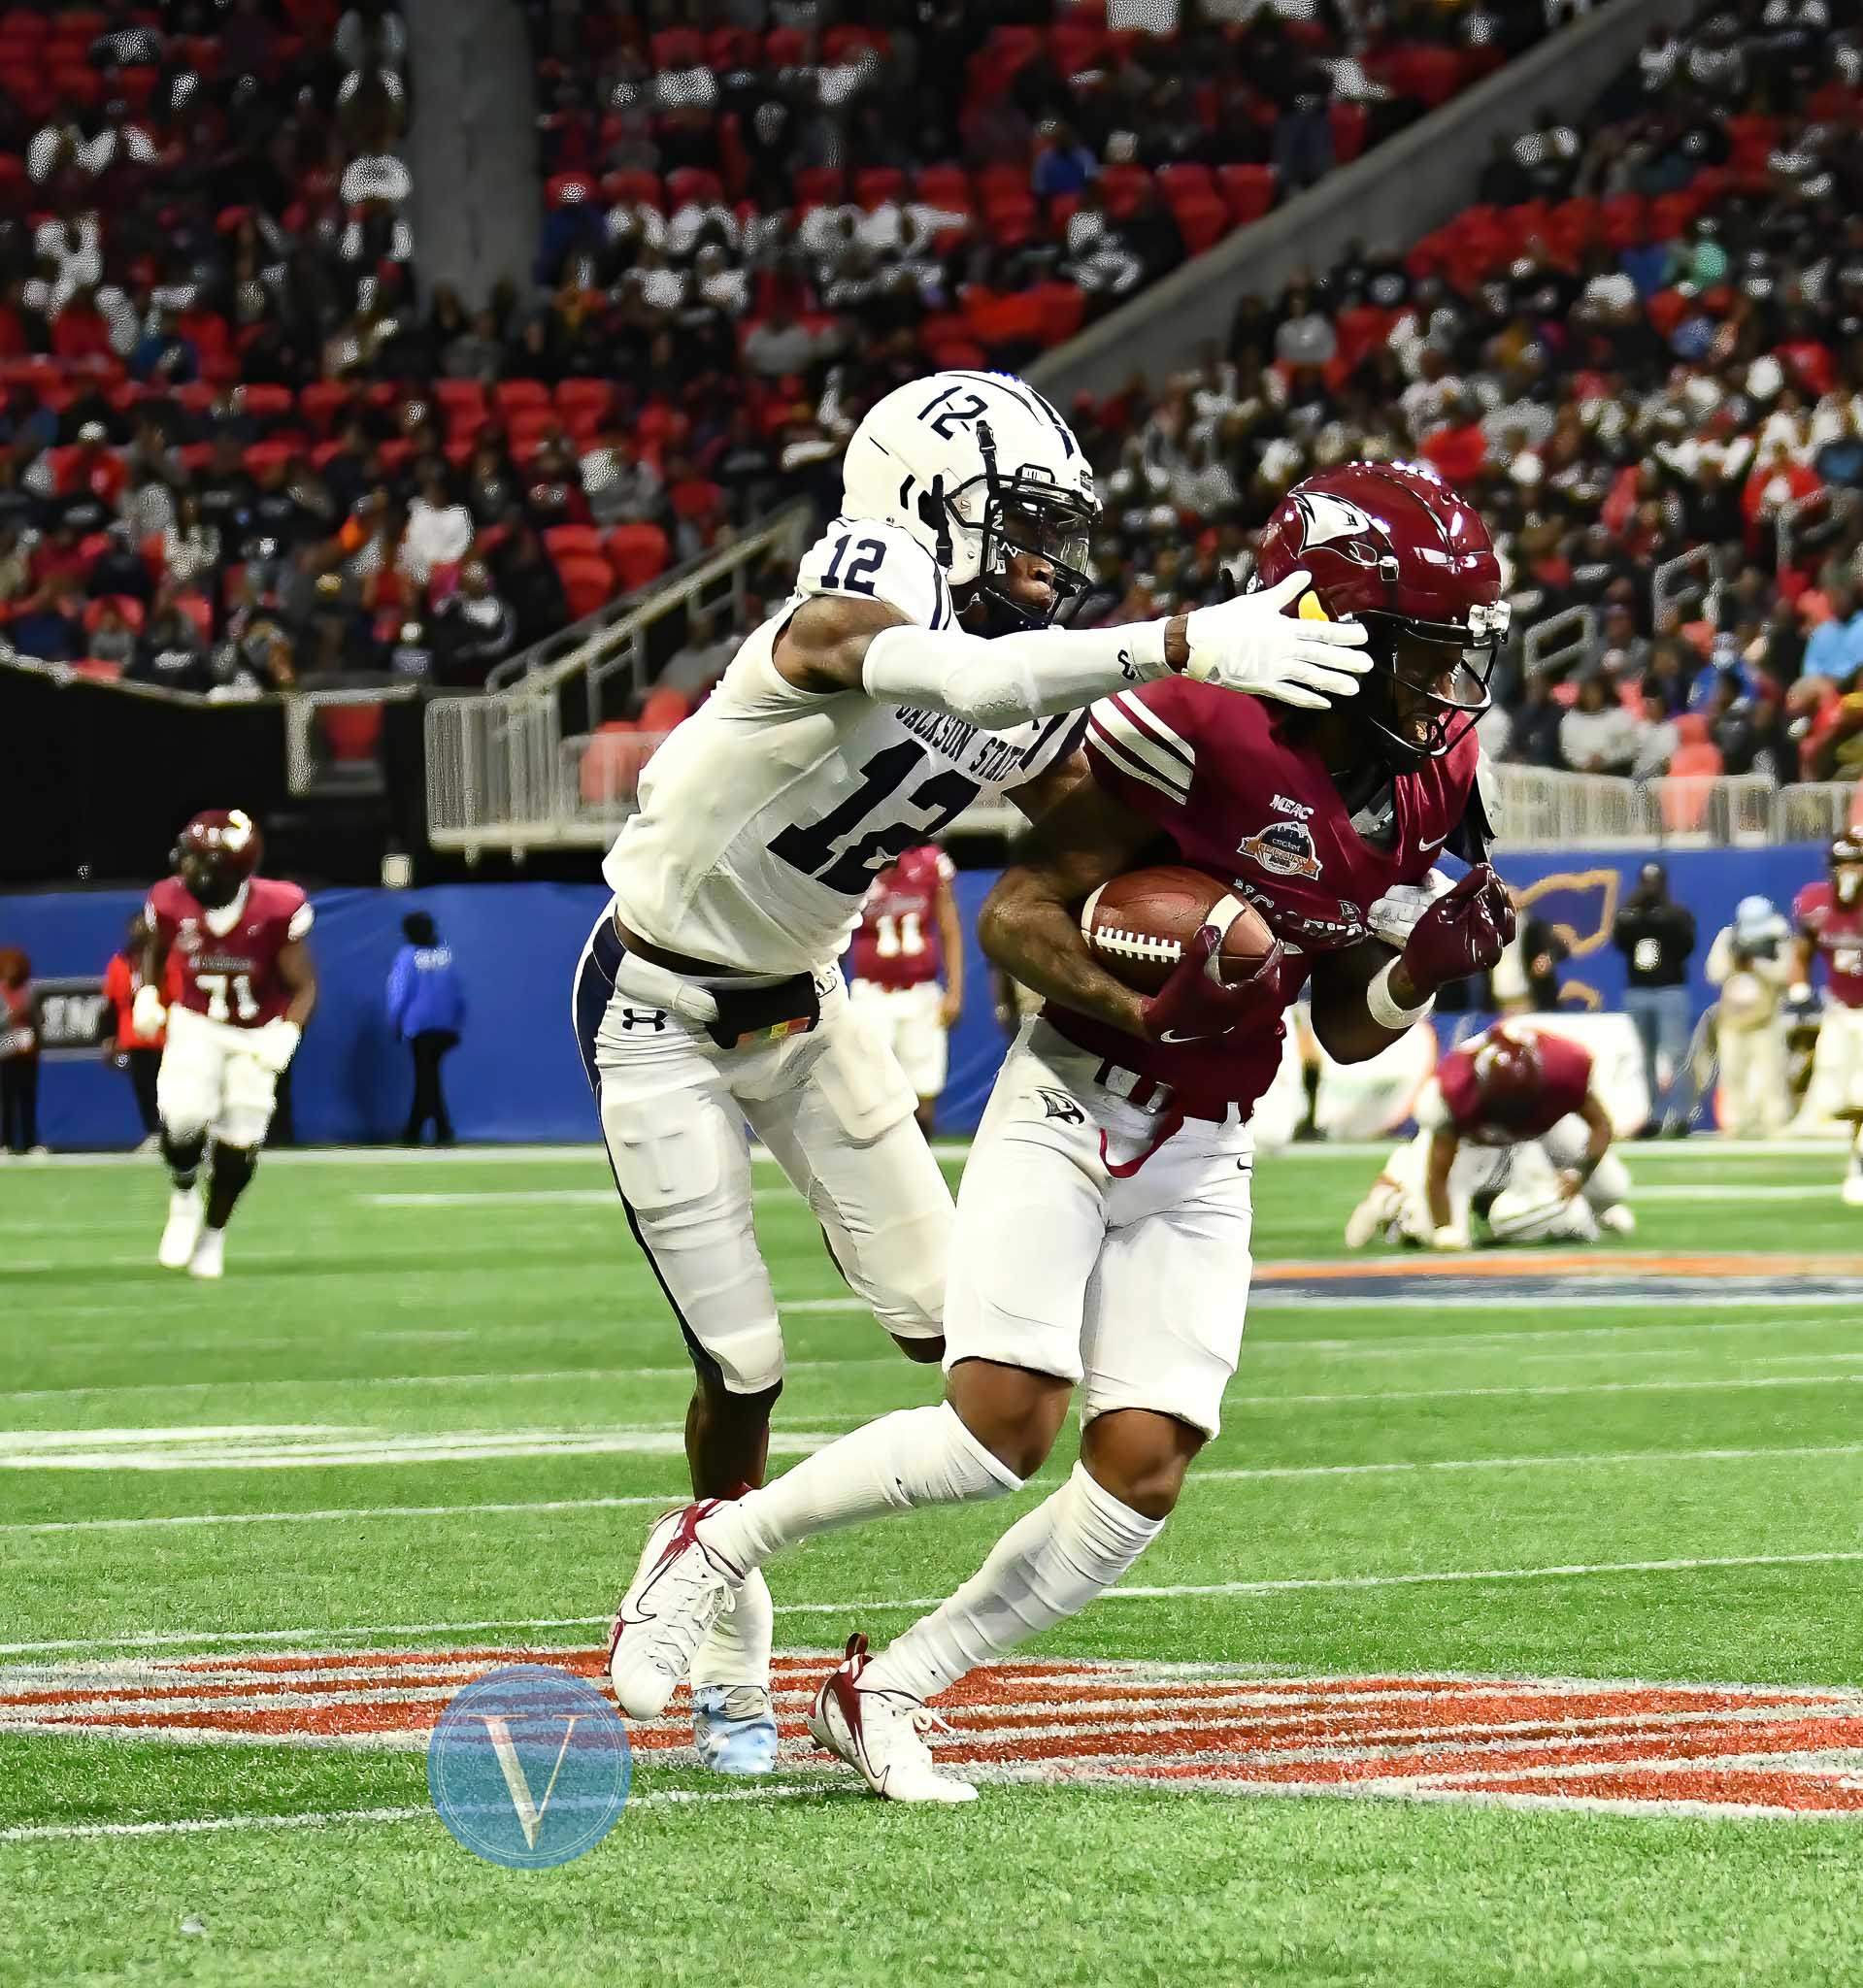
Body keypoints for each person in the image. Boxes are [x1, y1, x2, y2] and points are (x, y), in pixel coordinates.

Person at [600, 461, 1510, 1802]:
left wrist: (1414, 970)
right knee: (994, 1431)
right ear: (1344, 627)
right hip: (1076, 1094)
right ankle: (717, 1549)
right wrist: (1152, 993)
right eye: (1429, 652)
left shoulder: (1435, 777)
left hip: (1209, 1139)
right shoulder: (1199, 722)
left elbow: (1346, 1023)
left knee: (1140, 1473)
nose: (1450, 688)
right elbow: (1018, 917)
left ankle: (886, 1689)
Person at [138, 811, 317, 1279]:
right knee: (182, 1115)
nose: (187, 871)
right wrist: (147, 993)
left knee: (241, 1140)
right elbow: (154, 951)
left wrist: (288, 1032)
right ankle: (182, 1196)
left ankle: (213, 1235)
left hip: (256, 1030)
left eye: (200, 863)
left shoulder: (278, 906)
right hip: (197, 1022)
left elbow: (304, 986)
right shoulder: (168, 900)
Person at [1345, 1022, 1632, 1251]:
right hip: (1472, 1148)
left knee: (1611, 1186)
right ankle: (1394, 1197)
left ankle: (1588, 1211)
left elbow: (1601, 1126)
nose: (1512, 1112)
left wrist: (1579, 1174)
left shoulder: (1563, 1069)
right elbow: (1439, 1171)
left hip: (1545, 1131)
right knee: (1444, 1233)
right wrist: (1444, 1228)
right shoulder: (1453, 1090)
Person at [847, 844, 963, 1134]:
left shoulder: (930, 860)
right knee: (868, 1088)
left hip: (920, 991)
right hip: (870, 993)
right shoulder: (855, 860)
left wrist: (955, 991)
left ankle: (922, 1163)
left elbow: (950, 927)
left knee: (924, 1087)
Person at [1789, 834, 1863, 1201]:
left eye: (1857, 863)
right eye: (1843, 864)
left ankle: (1859, 1163)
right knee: (1837, 1099)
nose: (1849, 872)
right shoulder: (1817, 903)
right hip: (1838, 1010)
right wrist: (1799, 990)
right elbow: (1802, 951)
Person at [1612, 861, 1697, 1135]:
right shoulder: (1631, 916)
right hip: (1639, 991)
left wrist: (1658, 918)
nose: (1650, 889)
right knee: (1645, 1055)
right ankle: (1655, 1114)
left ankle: (1681, 1114)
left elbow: (1686, 944)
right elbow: (1620, 941)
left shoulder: (1677, 915)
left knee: (1675, 1053)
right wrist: (1634, 911)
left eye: (1655, 883)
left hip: (1669, 990)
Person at [1706, 894, 1793, 1139]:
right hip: (1733, 1021)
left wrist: (1758, 963)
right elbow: (1714, 973)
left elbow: (1785, 974)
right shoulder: (1728, 937)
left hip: (1766, 1020)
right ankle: (1735, 1124)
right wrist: (1735, 959)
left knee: (1772, 1074)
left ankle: (1775, 1123)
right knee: (1732, 1074)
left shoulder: (1779, 937)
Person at [387, 911, 466, 1145]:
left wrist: (395, 1023)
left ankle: (439, 1130)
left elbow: (398, 994)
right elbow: (458, 993)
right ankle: (418, 1130)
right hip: (445, 1027)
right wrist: (456, 1023)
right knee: (428, 1078)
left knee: (426, 1079)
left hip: (418, 1027)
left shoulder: (406, 956)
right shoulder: (445, 955)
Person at [102, 914, 166, 1149]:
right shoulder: (119, 962)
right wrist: (108, 1037)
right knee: (144, 1087)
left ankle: (174, 1136)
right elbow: (111, 1003)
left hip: (165, 1034)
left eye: (144, 926)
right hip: (134, 1036)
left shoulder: (165, 958)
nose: (139, 931)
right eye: (135, 927)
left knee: (169, 1087)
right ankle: (153, 1133)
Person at [0, 947, 42, 1157]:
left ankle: (29, 1143)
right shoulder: (0, 991)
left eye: (16, 967)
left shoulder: (30, 991)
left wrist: (33, 1017)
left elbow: (39, 1020)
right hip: (6, 1052)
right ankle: (5, 1143)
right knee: (6, 1099)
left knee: (28, 1097)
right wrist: (11, 1016)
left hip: (28, 1051)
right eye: (8, 967)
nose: (12, 971)